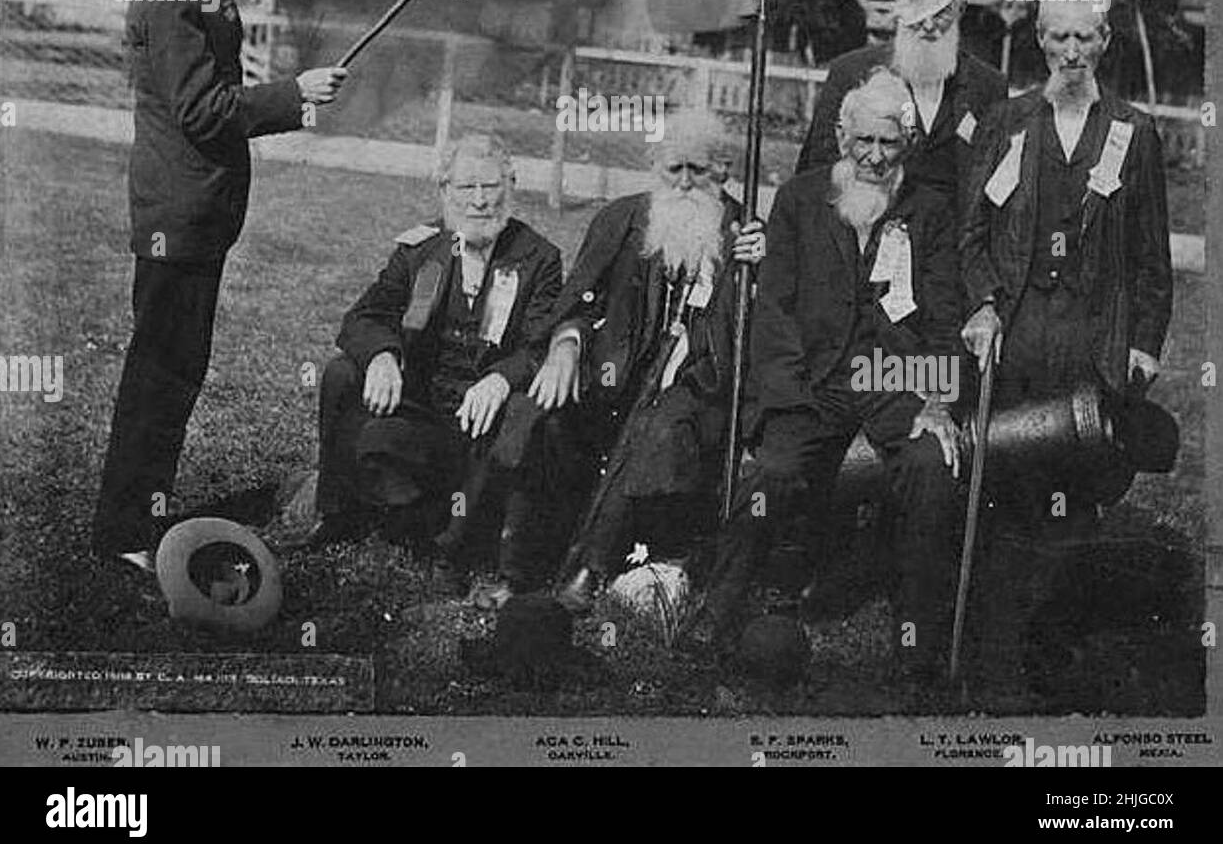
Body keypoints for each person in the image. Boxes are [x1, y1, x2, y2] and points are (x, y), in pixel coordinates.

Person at [93, 0, 346, 570]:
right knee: (161, 374)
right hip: (180, 211)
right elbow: (202, 111)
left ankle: (138, 513)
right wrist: (295, 93)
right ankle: (126, 531)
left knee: (173, 368)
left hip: (196, 210)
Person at [695, 68, 964, 688]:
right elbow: (775, 309)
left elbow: (945, 318)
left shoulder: (930, 211)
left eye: (888, 143)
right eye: (862, 141)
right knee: (774, 474)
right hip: (814, 381)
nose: (873, 157)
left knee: (931, 467)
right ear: (841, 136)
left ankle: (917, 640)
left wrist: (939, 402)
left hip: (896, 375)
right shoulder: (799, 199)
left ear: (909, 144)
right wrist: (786, 400)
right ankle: (718, 612)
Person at [959, 0, 1173, 696]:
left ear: (1105, 40)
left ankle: (1047, 644)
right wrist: (983, 305)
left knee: (1077, 494)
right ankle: (990, 650)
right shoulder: (1008, 123)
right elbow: (971, 238)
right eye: (1057, 38)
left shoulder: (1131, 133)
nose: (1070, 52)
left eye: (1083, 38)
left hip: (1093, 336)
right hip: (1019, 332)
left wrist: (1142, 342)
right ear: (1039, 43)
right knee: (1009, 482)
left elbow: (1150, 255)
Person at [309, 133, 565, 606]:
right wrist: (383, 355)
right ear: (444, 190)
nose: (480, 200)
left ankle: (457, 551)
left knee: (524, 413)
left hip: (487, 422)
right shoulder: (420, 249)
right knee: (342, 373)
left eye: (491, 186)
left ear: (511, 186)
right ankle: (335, 514)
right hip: (423, 410)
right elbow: (364, 317)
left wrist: (500, 378)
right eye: (466, 188)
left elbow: (540, 343)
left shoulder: (538, 258)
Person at [524, 110, 764, 615]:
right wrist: (565, 344)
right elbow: (575, 302)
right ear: (655, 166)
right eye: (672, 168)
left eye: (697, 170)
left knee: (660, 427)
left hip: (697, 381)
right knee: (549, 417)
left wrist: (756, 269)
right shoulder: (622, 218)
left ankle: (594, 564)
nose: (682, 182)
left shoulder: (743, 233)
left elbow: (747, 334)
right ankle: (522, 555)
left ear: (721, 169)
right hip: (615, 373)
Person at [796, 0, 1008, 219]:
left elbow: (992, 185)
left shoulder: (987, 86)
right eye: (918, 12)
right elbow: (818, 168)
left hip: (949, 249)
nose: (929, 26)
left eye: (941, 12)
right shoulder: (851, 73)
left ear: (960, 10)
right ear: (899, 10)